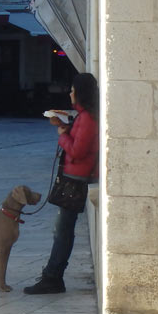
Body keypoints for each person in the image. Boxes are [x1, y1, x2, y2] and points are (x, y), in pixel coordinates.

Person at [24, 72, 99, 295]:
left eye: (73, 90)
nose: (70, 93)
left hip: (76, 179)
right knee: (63, 229)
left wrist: (61, 134)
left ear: (81, 93)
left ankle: (53, 276)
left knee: (63, 230)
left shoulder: (87, 119)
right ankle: (52, 274)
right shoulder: (84, 116)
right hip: (75, 176)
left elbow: (78, 150)